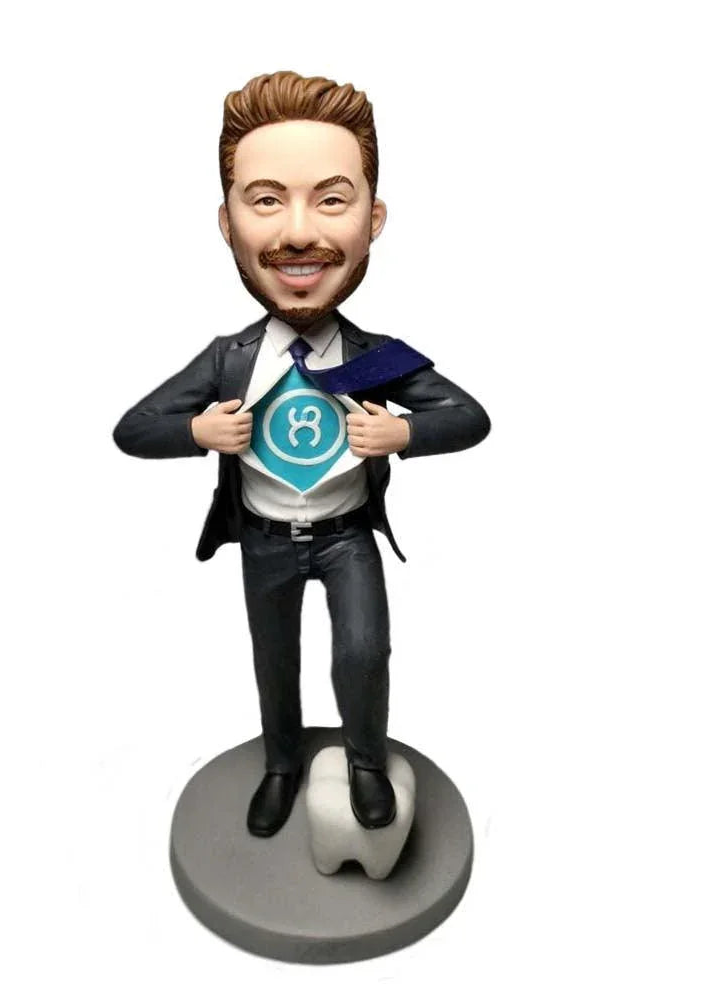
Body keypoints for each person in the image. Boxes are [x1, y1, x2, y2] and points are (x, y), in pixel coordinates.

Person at [114, 71, 490, 837]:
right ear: (227, 222)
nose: (295, 233)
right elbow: (135, 428)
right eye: (264, 200)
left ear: (373, 219)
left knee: (364, 652)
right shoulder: (228, 360)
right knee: (273, 657)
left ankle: (365, 761)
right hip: (263, 540)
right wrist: (197, 433)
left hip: (347, 538)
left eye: (330, 199)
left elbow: (468, 416)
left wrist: (403, 433)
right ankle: (281, 763)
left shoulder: (376, 358)